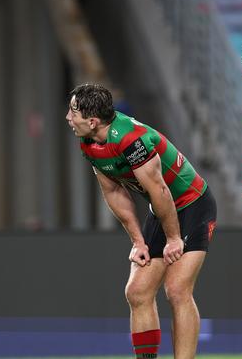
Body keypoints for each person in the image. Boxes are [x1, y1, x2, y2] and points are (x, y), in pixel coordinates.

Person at [65, 84, 216, 358]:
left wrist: (173, 238)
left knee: (176, 290)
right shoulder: (88, 143)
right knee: (137, 291)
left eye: (73, 111)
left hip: (192, 204)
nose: (68, 117)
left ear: (92, 120)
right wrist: (138, 241)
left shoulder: (131, 140)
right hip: (161, 209)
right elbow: (113, 191)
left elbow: (159, 190)